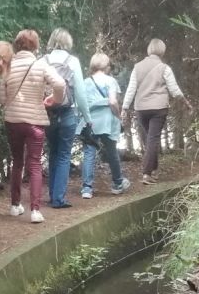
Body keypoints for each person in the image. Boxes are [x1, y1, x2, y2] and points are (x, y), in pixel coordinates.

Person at [0, 30, 64, 222]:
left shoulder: (7, 67)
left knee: (17, 162)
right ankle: (35, 211)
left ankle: (14, 205)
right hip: (35, 121)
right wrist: (54, 99)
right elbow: (60, 83)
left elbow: (2, 98)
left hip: (13, 120)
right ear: (36, 46)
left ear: (16, 45)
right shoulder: (41, 65)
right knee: (35, 164)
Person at [42, 28, 93, 209]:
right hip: (67, 112)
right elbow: (80, 92)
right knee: (64, 154)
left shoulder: (43, 60)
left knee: (53, 153)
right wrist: (87, 117)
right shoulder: (73, 61)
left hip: (47, 113)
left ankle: (51, 195)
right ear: (68, 42)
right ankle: (59, 198)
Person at [123, 37, 185, 182]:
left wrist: (125, 107)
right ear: (162, 51)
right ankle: (147, 173)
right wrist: (183, 100)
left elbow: (131, 89)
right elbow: (175, 90)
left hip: (141, 108)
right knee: (153, 139)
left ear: (149, 50)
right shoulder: (165, 68)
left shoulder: (137, 67)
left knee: (150, 139)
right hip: (159, 108)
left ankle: (152, 167)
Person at [80, 52, 132, 197]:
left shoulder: (85, 82)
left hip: (90, 122)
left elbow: (81, 103)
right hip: (107, 121)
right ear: (106, 66)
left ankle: (87, 189)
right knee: (111, 152)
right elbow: (112, 101)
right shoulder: (111, 81)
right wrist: (118, 114)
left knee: (89, 153)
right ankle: (117, 183)